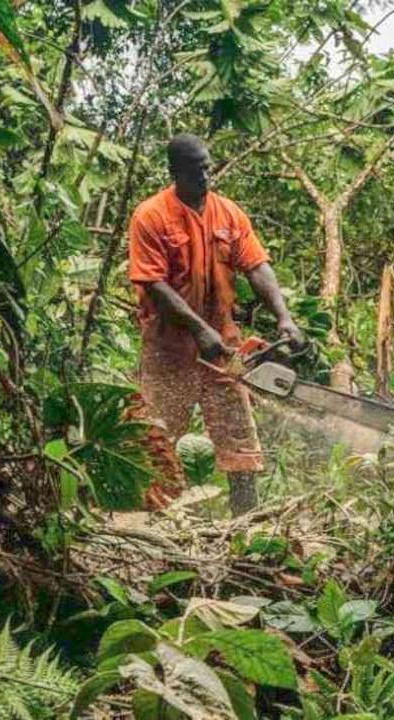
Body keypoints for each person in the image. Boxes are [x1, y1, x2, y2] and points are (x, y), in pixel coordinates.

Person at [127, 133, 305, 515]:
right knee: (155, 438)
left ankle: (247, 522)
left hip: (223, 345)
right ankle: (146, 521)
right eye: (195, 171)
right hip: (168, 349)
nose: (205, 177)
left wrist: (284, 317)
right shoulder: (151, 215)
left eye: (208, 167)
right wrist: (197, 330)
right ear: (176, 173)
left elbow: (257, 265)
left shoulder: (227, 213)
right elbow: (153, 283)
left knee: (238, 438)